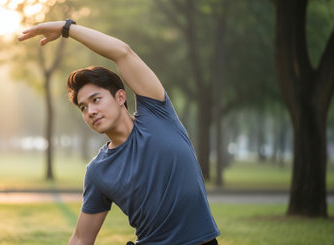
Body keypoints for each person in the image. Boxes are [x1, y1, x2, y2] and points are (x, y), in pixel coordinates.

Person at [18, 19, 220, 245]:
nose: (90, 111)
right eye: (83, 107)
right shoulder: (98, 171)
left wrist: (67, 29)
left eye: (96, 100)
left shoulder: (157, 115)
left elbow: (123, 53)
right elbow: (81, 238)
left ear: (120, 97)